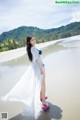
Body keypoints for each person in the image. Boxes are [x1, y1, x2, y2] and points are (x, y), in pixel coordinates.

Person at [0, 36, 50, 119]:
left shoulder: (33, 48)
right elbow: (36, 60)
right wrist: (41, 69)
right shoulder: (33, 49)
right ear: (29, 42)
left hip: (37, 67)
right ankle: (44, 102)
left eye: (34, 39)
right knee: (43, 84)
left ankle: (41, 97)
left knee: (41, 83)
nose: (34, 40)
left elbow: (36, 58)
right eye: (32, 40)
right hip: (39, 68)